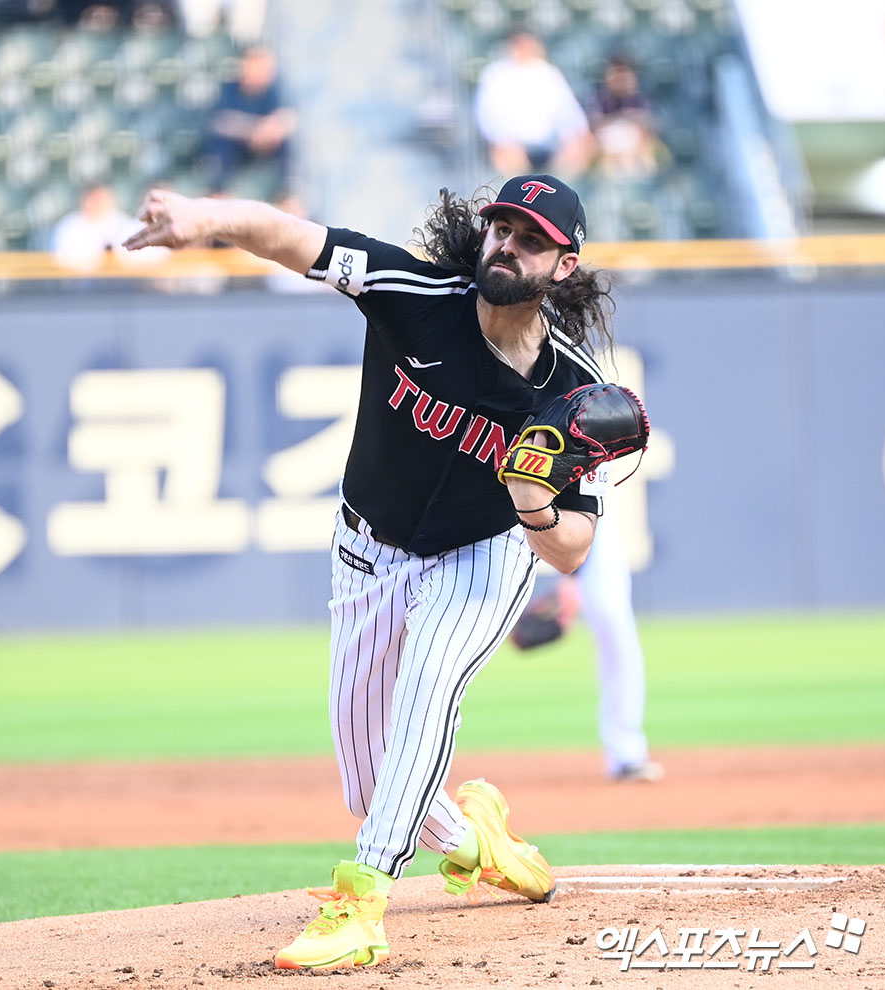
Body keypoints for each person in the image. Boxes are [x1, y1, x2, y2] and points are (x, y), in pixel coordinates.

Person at [124, 172, 619, 971]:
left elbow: (573, 548)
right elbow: (295, 239)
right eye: (501, 228)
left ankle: (364, 899)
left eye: (531, 239)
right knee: (370, 780)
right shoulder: (416, 291)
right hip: (368, 549)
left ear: (564, 265)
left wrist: (532, 500)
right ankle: (471, 840)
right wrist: (200, 218)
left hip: (482, 556)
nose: (507, 244)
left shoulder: (568, 387)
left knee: (429, 684)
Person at [515, 509, 663, 782]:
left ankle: (626, 754)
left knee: (615, 626)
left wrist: (573, 580)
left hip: (580, 514)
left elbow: (580, 490)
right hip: (500, 508)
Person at [473, 30, 595, 181]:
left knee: (577, 151)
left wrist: (575, 135)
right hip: (512, 143)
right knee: (508, 158)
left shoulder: (548, 72)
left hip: (550, 143)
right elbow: (487, 116)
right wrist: (502, 139)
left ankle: (558, 197)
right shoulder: (496, 74)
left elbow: (568, 110)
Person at [202, 44, 296, 196]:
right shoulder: (229, 89)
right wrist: (253, 131)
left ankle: (285, 195)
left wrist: (269, 131)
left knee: (288, 145)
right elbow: (221, 121)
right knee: (221, 146)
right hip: (239, 145)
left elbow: (289, 118)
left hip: (267, 144)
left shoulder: (274, 90)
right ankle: (219, 191)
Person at [588, 54, 663, 180]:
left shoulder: (640, 100)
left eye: (624, 74)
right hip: (606, 151)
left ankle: (643, 182)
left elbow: (652, 125)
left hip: (635, 152)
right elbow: (592, 125)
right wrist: (619, 119)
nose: (619, 79)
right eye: (615, 74)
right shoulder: (599, 100)